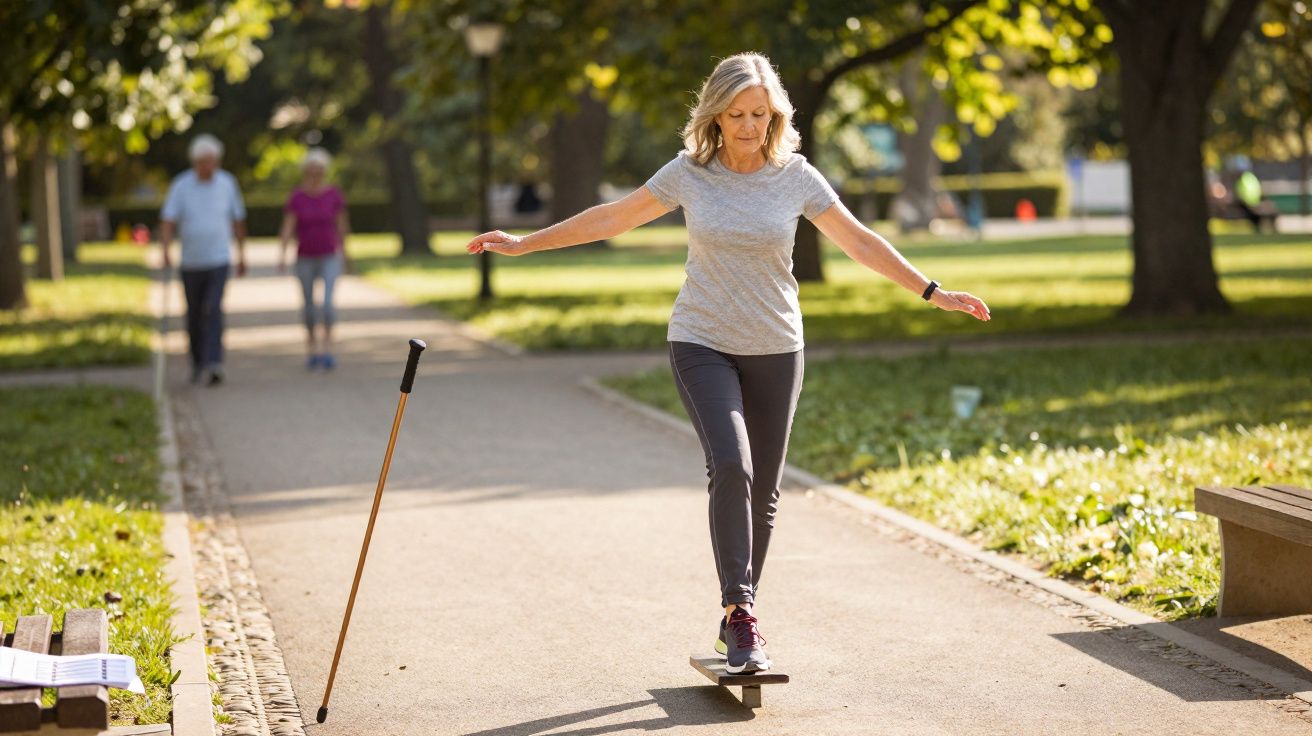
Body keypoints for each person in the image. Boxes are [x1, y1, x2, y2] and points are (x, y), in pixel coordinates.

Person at [466, 52, 991, 675]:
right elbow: (614, 216)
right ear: (716, 114)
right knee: (733, 466)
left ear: (776, 115)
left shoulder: (796, 176)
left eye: (760, 114)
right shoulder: (691, 173)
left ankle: (734, 620)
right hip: (702, 341)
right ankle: (741, 611)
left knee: (764, 492)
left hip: (777, 345)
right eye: (737, 114)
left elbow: (858, 240)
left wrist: (933, 291)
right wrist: (527, 243)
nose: (749, 126)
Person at [160, 134, 248, 385]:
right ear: (195, 162)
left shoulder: (227, 184)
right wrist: (166, 250)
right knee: (195, 313)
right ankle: (198, 362)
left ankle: (214, 362)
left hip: (219, 258)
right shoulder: (181, 185)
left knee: (213, 308)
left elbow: (237, 219)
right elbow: (168, 220)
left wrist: (242, 253)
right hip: (191, 261)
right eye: (203, 162)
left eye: (212, 161)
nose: (208, 166)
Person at [278, 148, 352, 370]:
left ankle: (327, 349)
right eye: (312, 171)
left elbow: (342, 226)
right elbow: (288, 226)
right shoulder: (297, 196)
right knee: (309, 306)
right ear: (305, 172)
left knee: (328, 304)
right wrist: (282, 253)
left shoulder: (334, 194)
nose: (315, 175)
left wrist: (347, 254)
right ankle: (311, 347)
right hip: (305, 257)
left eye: (319, 171)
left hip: (329, 254)